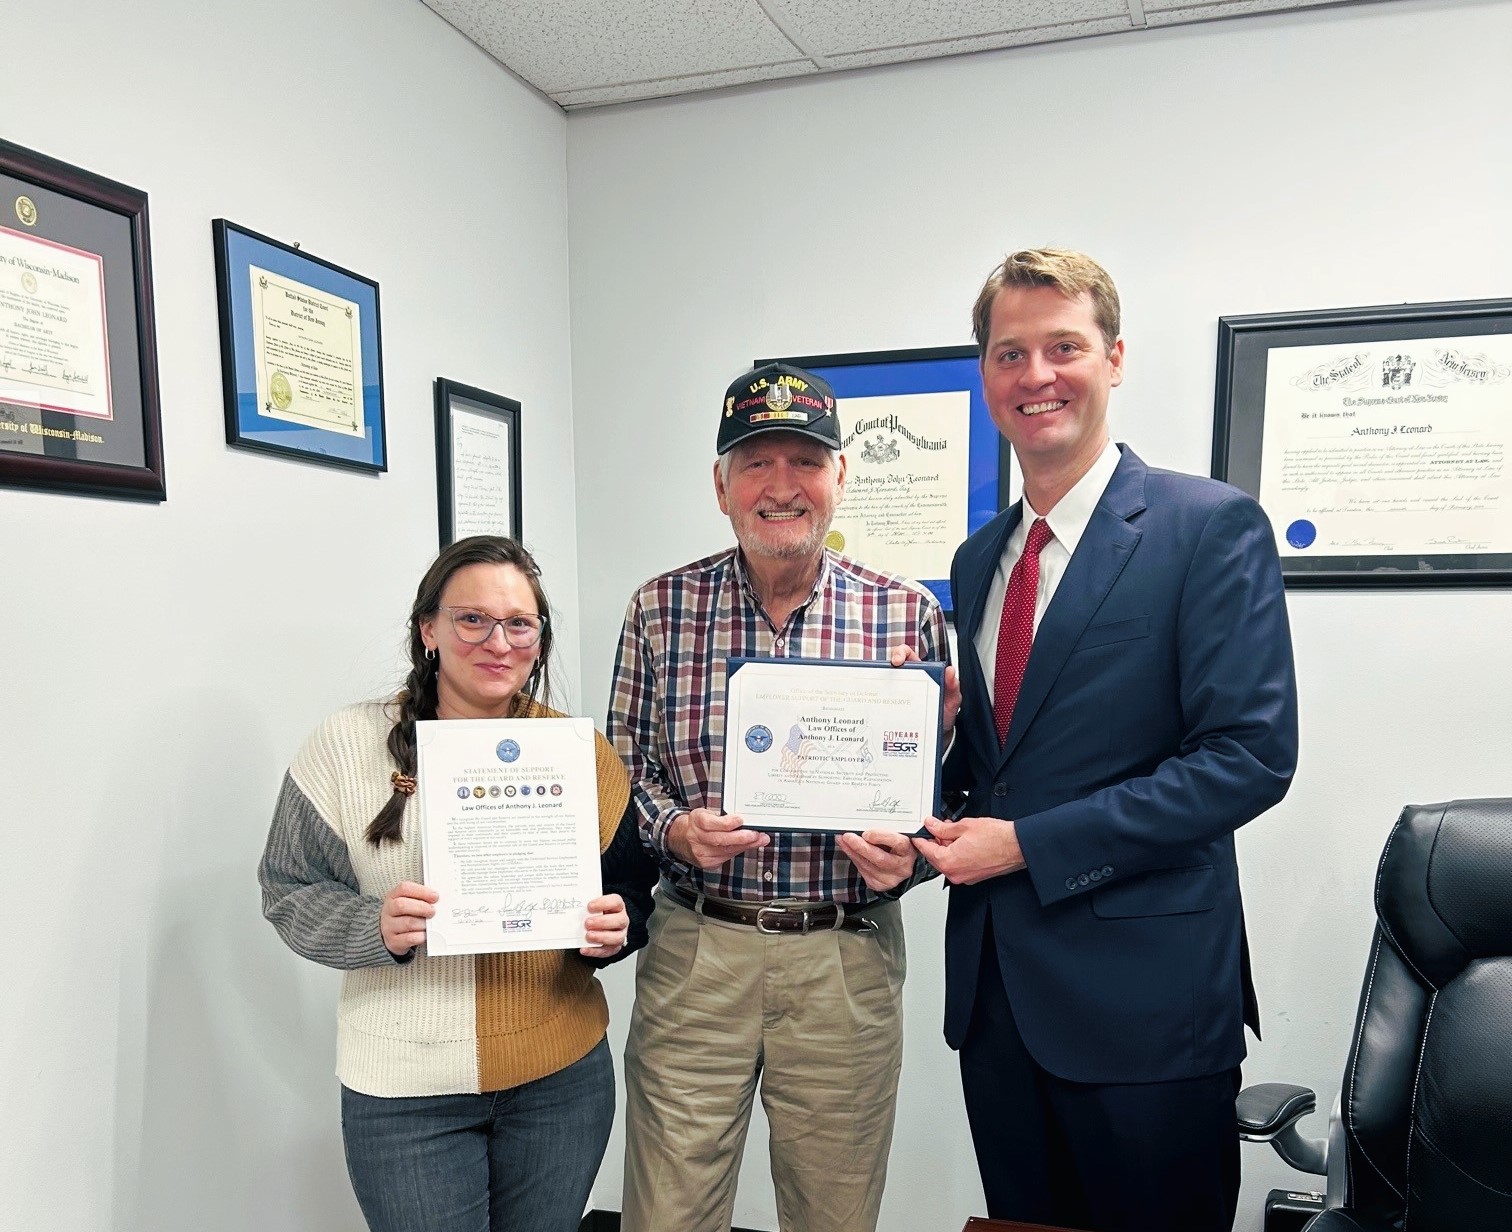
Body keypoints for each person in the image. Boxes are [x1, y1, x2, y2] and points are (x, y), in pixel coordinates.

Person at [916, 249, 1298, 1232]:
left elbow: (1247, 757)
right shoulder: (978, 555)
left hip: (1147, 1008)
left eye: (1063, 347)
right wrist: (929, 796)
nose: (1036, 375)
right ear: (986, 374)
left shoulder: (1207, 526)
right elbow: (1010, 766)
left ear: (1115, 358)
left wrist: (1028, 843)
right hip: (999, 1000)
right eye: (1010, 353)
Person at [608, 362, 957, 1232]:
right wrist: (675, 830)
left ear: (842, 477)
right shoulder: (660, 607)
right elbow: (622, 771)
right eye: (756, 462)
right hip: (698, 948)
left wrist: (907, 859)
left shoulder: (904, 614)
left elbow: (941, 790)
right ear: (720, 485)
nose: (781, 486)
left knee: (834, 1215)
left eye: (805, 460)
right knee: (666, 1214)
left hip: (843, 957)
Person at [259, 535, 657, 1232]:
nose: (496, 641)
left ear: (539, 638)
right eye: (471, 619)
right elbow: (287, 888)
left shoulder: (578, 752)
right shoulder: (346, 745)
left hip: (559, 1080)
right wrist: (372, 927)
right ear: (429, 629)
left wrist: (611, 931)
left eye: (518, 623)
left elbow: (630, 890)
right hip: (406, 1095)